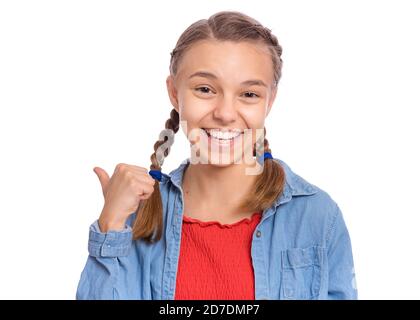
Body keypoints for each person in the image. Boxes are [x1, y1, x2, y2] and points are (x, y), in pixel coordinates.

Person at [76, 10, 357, 300]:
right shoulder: (137, 215)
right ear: (175, 93)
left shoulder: (318, 217)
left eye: (249, 94)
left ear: (269, 101)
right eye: (205, 89)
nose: (224, 113)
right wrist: (110, 227)